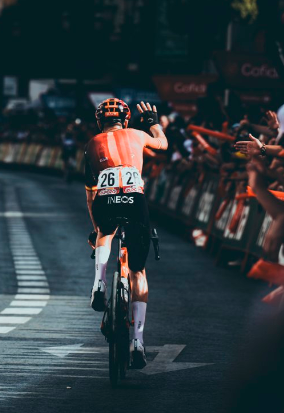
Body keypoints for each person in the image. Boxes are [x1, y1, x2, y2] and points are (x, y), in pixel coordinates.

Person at [82, 98, 168, 369]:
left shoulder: (92, 144)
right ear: (126, 119)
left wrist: (97, 229)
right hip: (135, 199)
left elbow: (89, 195)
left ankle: (99, 283)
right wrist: (154, 124)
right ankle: (138, 342)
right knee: (138, 271)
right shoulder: (137, 134)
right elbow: (163, 145)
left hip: (105, 199)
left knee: (105, 233)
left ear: (100, 122)